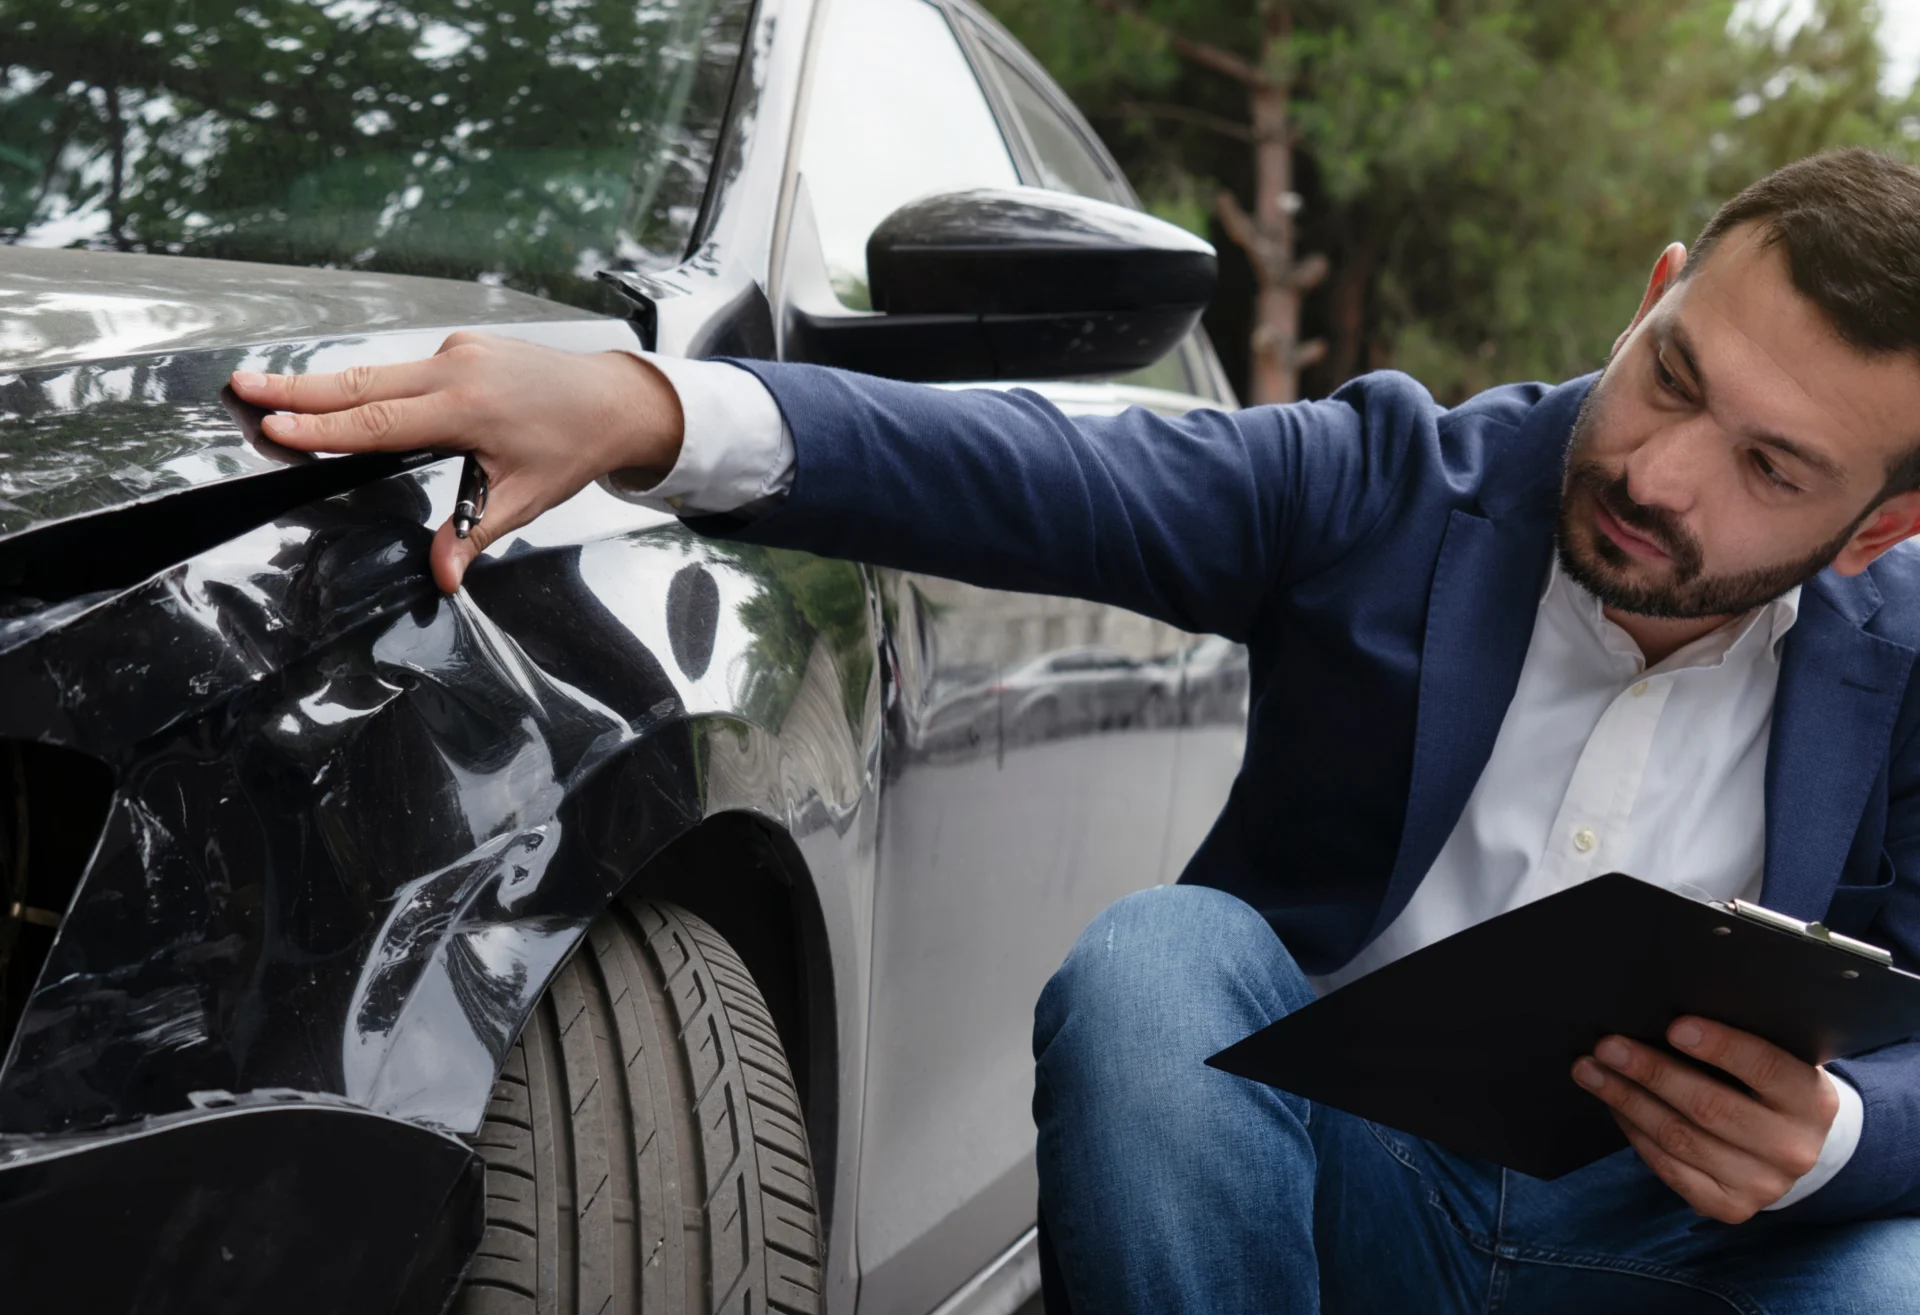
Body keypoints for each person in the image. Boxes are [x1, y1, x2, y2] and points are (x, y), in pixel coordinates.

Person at [232, 148, 1920, 1312]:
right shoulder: (1404, 488)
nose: (1659, 471)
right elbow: (1051, 473)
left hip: (1668, 1247)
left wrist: (1839, 1135)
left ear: (1876, 530)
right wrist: (649, 408)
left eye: (1771, 467)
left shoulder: (1904, 666)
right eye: (1674, 374)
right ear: (1654, 292)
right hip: (1318, 1194)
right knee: (1159, 963)